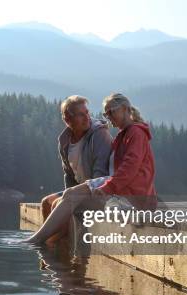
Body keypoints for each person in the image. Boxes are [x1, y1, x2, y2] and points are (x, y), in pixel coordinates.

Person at [24, 93, 157, 244]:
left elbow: (128, 170)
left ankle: (41, 243)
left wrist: (106, 188)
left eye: (111, 112)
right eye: (105, 114)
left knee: (69, 197)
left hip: (135, 199)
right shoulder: (123, 135)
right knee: (63, 198)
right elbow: (70, 173)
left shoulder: (136, 133)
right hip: (121, 193)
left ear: (125, 109)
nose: (108, 117)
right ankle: (51, 248)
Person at [41, 95, 112, 220]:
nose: (87, 118)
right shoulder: (64, 141)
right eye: (81, 115)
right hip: (79, 192)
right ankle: (53, 240)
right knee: (46, 202)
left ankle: (53, 238)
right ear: (67, 120)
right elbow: (69, 175)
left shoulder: (99, 134)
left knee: (58, 204)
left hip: (100, 192)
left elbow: (100, 175)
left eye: (87, 112)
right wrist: (69, 196)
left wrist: (72, 199)